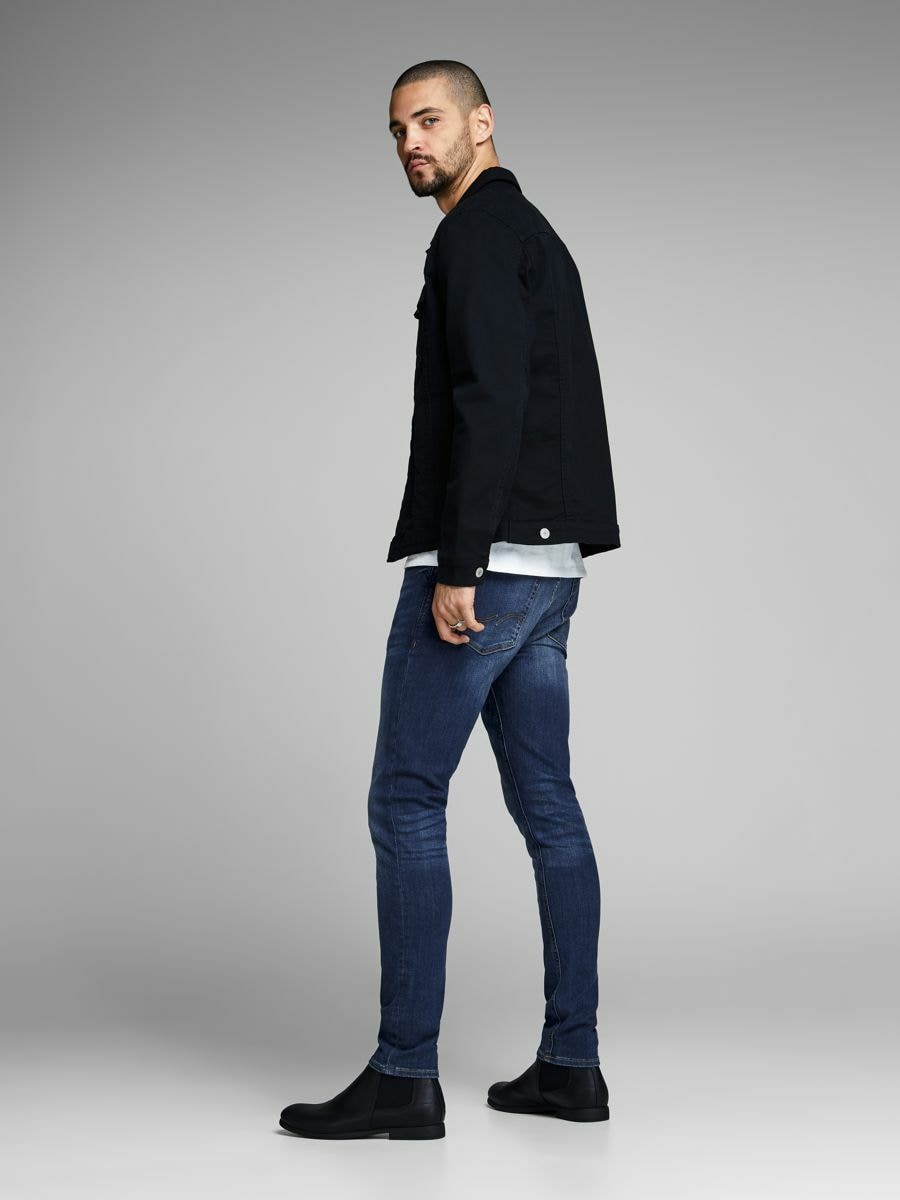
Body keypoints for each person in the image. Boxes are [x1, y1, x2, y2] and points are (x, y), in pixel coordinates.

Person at [279, 59, 620, 1141]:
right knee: (549, 807)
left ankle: (403, 1076)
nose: (411, 143)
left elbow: (492, 398)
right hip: (550, 570)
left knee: (406, 800)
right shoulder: (537, 235)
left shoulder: (473, 234)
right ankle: (571, 1066)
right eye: (396, 130)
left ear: (483, 122)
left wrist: (460, 562)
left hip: (487, 566)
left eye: (429, 120)